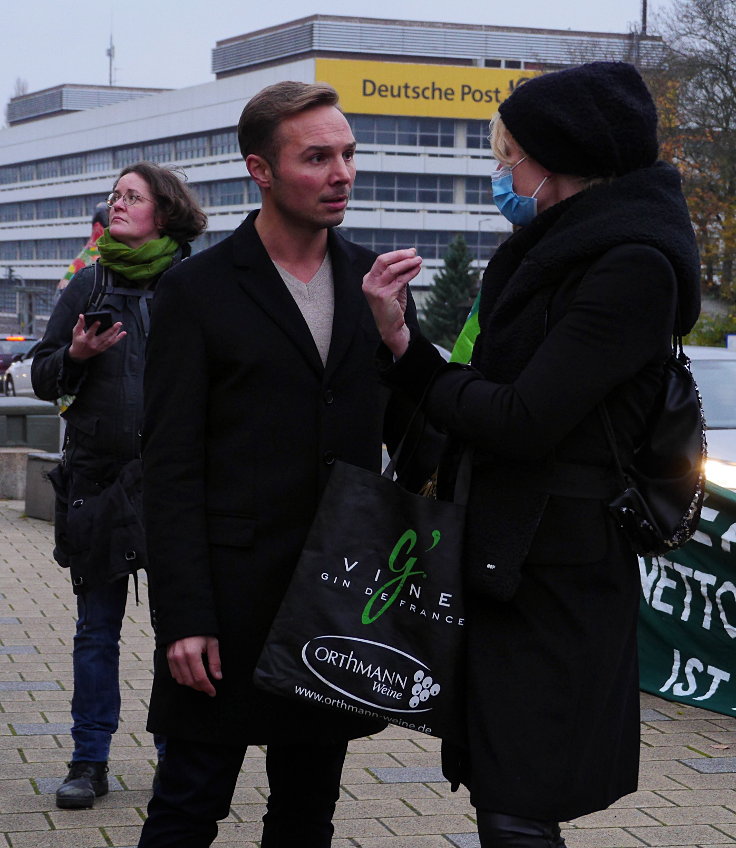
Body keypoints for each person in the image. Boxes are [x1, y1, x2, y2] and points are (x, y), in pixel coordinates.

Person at [362, 62, 701, 848]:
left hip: (557, 569)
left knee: (520, 794)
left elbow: (522, 416)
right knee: (503, 786)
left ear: (557, 156)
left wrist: (414, 354)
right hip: (511, 556)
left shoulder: (630, 265)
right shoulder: (560, 249)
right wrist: (409, 357)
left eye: (509, 154)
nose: (502, 172)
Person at [137, 81, 424, 848]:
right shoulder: (195, 291)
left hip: (332, 599)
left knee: (306, 814)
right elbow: (168, 467)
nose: (343, 174)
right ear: (260, 170)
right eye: (317, 157)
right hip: (226, 601)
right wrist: (184, 616)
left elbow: (419, 438)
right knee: (187, 805)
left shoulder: (376, 284)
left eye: (349, 154)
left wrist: (401, 343)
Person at [32, 163, 207, 810]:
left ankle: (176, 755)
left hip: (173, 484)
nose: (117, 204)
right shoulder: (85, 286)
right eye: (115, 196)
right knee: (94, 630)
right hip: (97, 482)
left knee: (178, 630)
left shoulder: (192, 286)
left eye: (132, 196)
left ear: (164, 212)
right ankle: (88, 760)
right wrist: (74, 356)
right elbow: (43, 376)